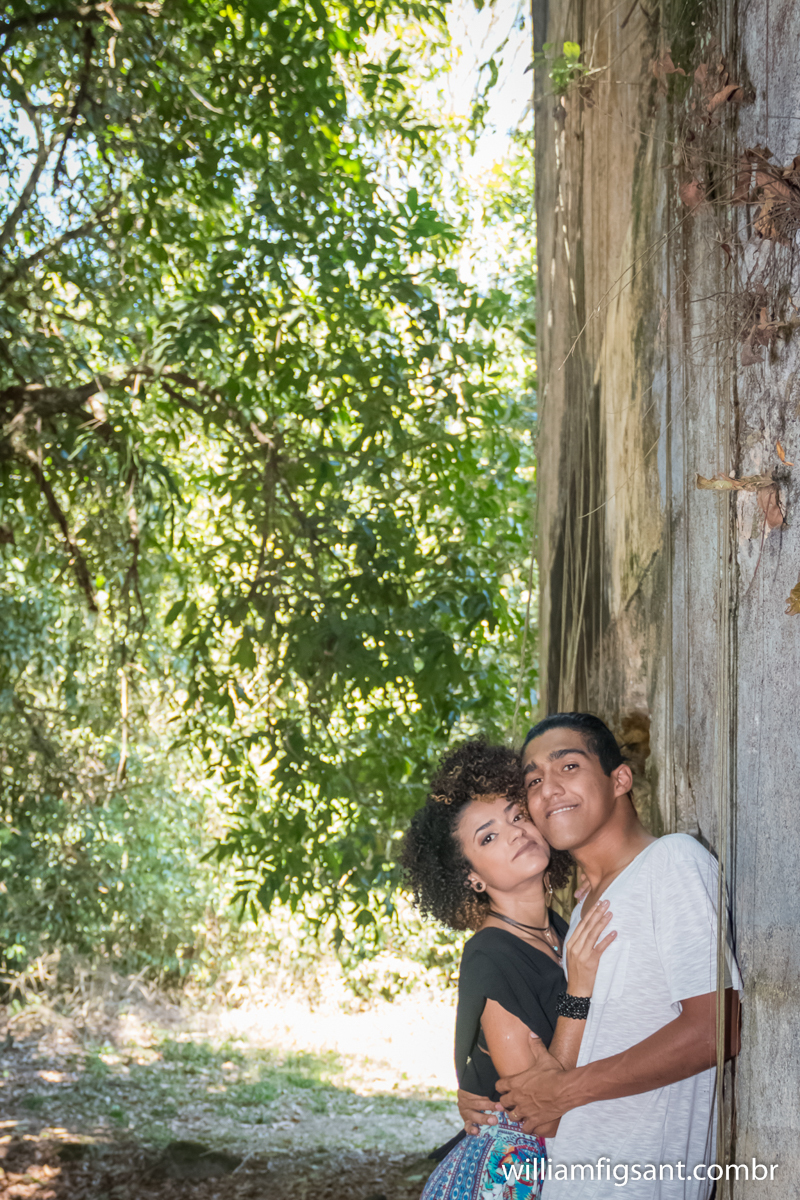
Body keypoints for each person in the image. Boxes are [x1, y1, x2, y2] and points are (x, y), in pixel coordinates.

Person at [457, 713, 742, 1199]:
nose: (547, 789)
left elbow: (716, 1029)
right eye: (534, 781)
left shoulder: (673, 862)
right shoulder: (584, 907)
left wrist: (564, 1092)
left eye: (567, 766)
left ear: (620, 779)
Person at [402, 739, 616, 1200]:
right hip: (508, 1179)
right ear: (471, 877)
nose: (515, 831)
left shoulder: (564, 928)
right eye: (489, 836)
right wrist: (578, 989)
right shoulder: (490, 956)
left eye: (517, 816)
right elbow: (545, 1113)